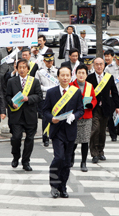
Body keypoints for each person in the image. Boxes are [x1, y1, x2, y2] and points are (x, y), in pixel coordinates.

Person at [43, 66, 84, 198]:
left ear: (70, 76)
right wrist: (51, 118)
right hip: (57, 131)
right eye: (62, 75)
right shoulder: (51, 92)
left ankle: (63, 187)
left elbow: (80, 110)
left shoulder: (76, 92)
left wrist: (75, 116)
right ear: (58, 76)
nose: (65, 78)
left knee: (67, 162)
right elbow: (45, 111)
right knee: (59, 158)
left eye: (67, 75)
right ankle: (54, 185)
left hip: (70, 131)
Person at [6, 58, 43, 171]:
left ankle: (26, 161)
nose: (22, 70)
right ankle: (16, 156)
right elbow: (7, 96)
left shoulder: (34, 81)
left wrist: (28, 98)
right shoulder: (11, 81)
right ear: (16, 68)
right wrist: (12, 104)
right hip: (16, 115)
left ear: (28, 69)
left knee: (29, 139)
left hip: (30, 115)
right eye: (20, 67)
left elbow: (39, 96)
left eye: (24, 67)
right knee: (16, 138)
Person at [86, 58, 119, 163]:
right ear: (93, 65)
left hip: (106, 108)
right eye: (96, 64)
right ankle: (94, 153)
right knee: (95, 130)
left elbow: (114, 92)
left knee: (102, 131)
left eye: (101, 64)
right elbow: (87, 93)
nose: (99, 66)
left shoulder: (108, 77)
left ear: (104, 65)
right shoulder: (90, 78)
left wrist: (118, 106)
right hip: (94, 108)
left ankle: (101, 151)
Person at [70, 64, 97, 172]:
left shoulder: (90, 86)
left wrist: (92, 104)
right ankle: (71, 159)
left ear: (86, 75)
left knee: (85, 141)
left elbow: (94, 99)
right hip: (75, 117)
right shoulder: (71, 85)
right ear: (76, 74)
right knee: (73, 141)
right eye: (79, 73)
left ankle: (83, 162)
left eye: (83, 73)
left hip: (86, 116)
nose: (81, 75)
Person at [35, 50, 58, 147]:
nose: (49, 63)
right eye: (47, 61)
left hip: (56, 98)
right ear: (44, 61)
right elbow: (37, 85)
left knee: (56, 117)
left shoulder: (57, 70)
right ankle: (46, 137)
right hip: (44, 97)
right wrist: (47, 89)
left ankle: (54, 135)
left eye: (51, 61)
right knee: (46, 119)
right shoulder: (39, 72)